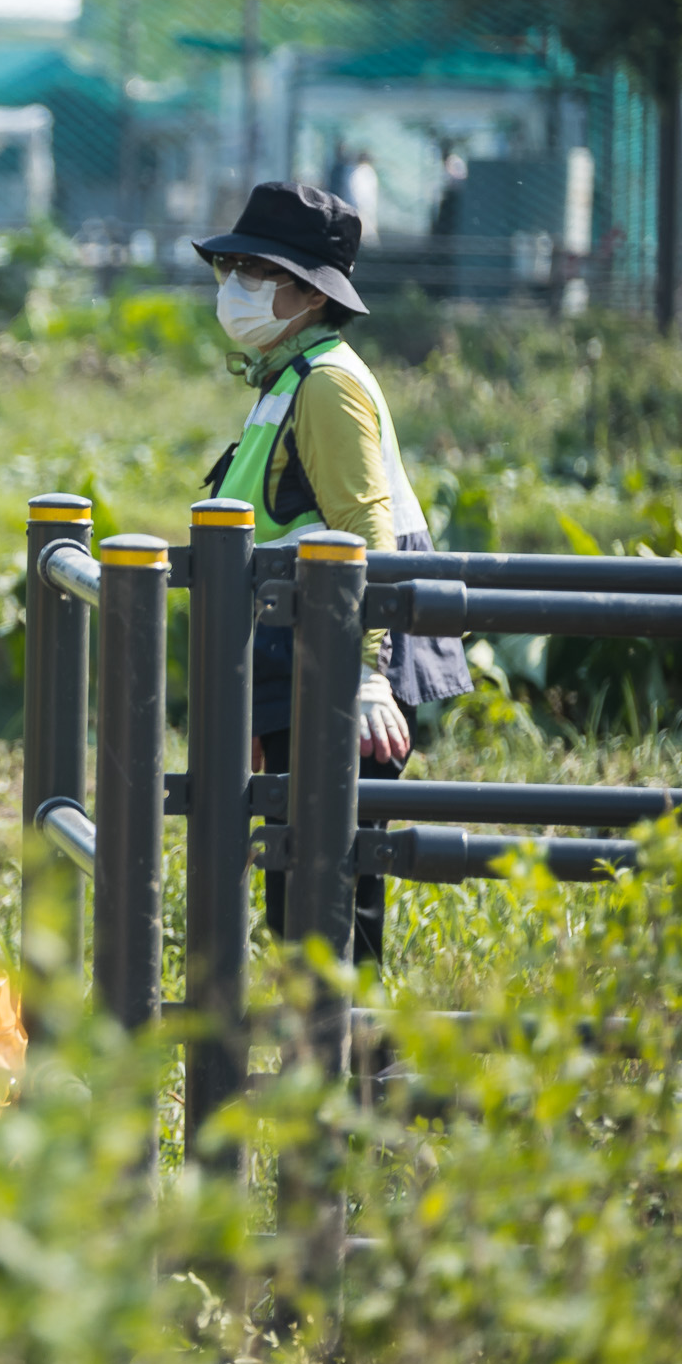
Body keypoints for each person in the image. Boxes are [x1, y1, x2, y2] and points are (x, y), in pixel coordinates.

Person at [194, 182, 471, 964]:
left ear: (311, 293)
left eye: (255, 269)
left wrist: (367, 673)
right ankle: (328, 1075)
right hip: (300, 658)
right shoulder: (286, 376)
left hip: (338, 659)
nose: (235, 284)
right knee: (301, 896)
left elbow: (363, 532)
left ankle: (357, 1076)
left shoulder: (327, 383)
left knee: (330, 900)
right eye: (233, 266)